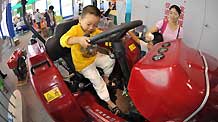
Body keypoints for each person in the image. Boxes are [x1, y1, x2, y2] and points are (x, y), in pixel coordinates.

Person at [60, 5, 120, 115]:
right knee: (97, 80)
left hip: (93, 57)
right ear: (80, 19)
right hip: (83, 64)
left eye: (95, 25)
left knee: (110, 59)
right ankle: (109, 102)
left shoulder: (94, 30)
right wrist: (78, 39)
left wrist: (113, 34)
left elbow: (101, 34)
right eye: (88, 24)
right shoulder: (75, 30)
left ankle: (106, 77)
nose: (91, 28)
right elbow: (63, 40)